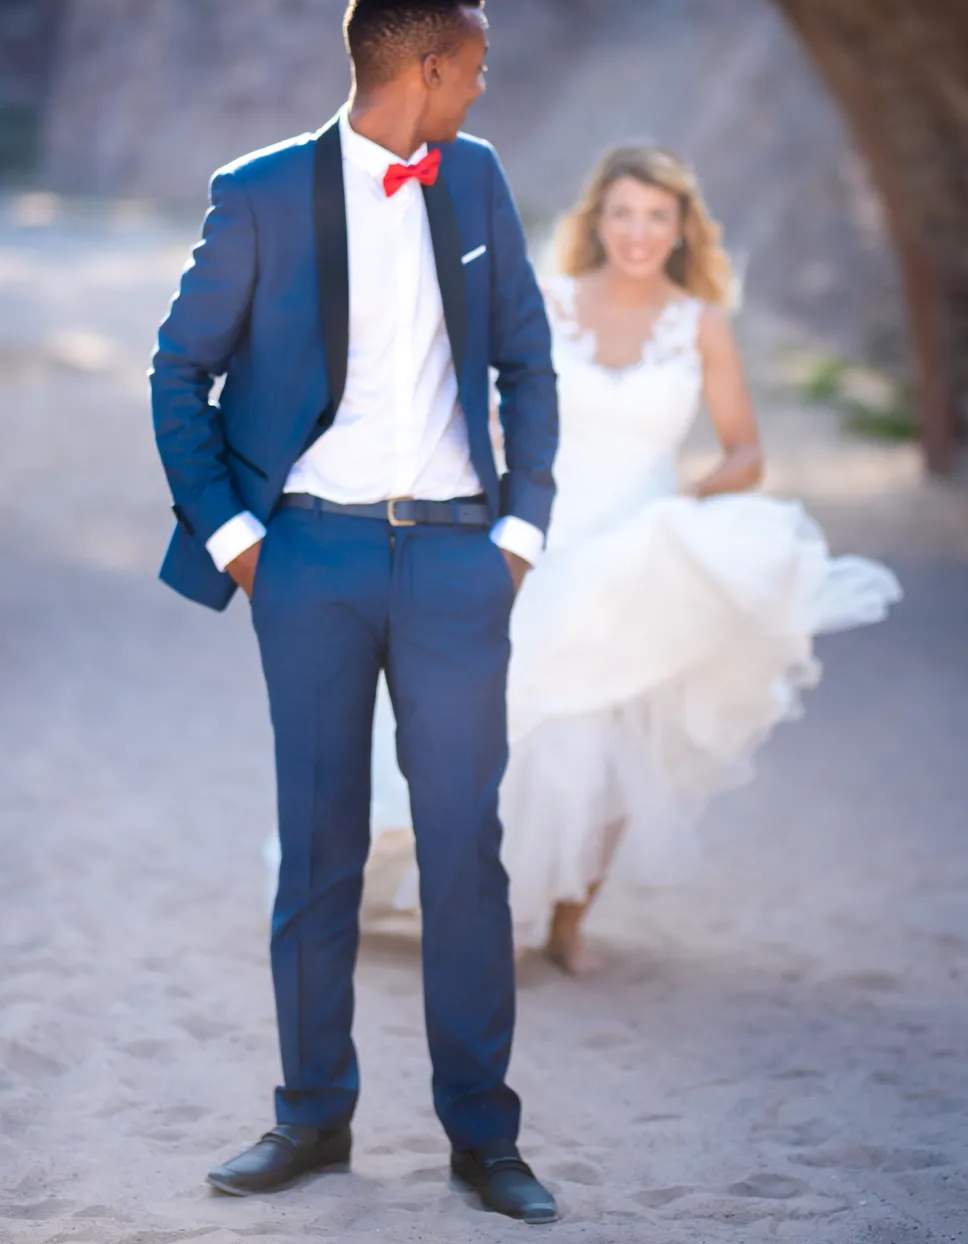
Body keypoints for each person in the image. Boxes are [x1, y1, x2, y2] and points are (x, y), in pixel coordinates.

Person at [149, 0, 560, 1222]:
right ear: (426, 67)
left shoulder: (478, 175)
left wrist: (520, 534)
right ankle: (311, 1119)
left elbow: (527, 364)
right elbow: (179, 374)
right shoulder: (262, 192)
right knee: (321, 852)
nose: (485, 83)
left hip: (453, 562)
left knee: (464, 853)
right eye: (476, 64)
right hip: (310, 561)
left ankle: (484, 1138)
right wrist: (236, 539)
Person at [364, 143, 902, 974]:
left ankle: (569, 920)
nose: (638, 231)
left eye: (657, 215)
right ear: (597, 221)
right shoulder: (546, 302)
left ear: (682, 227)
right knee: (510, 714)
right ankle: (479, 906)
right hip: (538, 531)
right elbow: (492, 411)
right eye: (623, 212)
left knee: (616, 736)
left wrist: (689, 501)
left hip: (641, 539)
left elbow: (746, 452)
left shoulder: (703, 325)